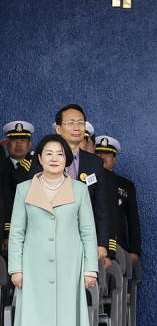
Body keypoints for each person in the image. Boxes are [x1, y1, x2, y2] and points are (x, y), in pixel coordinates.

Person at [8, 134, 99, 326]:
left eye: (60, 154)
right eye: (48, 153)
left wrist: (89, 269)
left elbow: (88, 232)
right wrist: (16, 268)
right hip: (33, 271)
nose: (55, 158)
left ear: (67, 159)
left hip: (70, 271)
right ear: (38, 158)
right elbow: (17, 233)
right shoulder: (24, 190)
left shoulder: (79, 190)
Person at [16, 105, 111, 265]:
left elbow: (101, 206)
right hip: (45, 239)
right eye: (71, 122)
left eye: (81, 123)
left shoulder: (94, 163)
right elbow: (32, 201)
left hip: (81, 241)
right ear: (58, 129)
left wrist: (101, 243)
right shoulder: (40, 159)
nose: (77, 127)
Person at [95, 135, 141, 263]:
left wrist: (134, 250)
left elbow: (132, 219)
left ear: (115, 159)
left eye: (107, 154)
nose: (102, 157)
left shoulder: (125, 185)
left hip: (118, 245)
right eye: (98, 153)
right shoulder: (87, 180)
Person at [2, 121, 35, 255]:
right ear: (7, 143)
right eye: (14, 140)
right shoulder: (2, 166)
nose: (18, 144)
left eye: (23, 140)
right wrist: (7, 233)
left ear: (30, 145)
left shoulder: (38, 168)